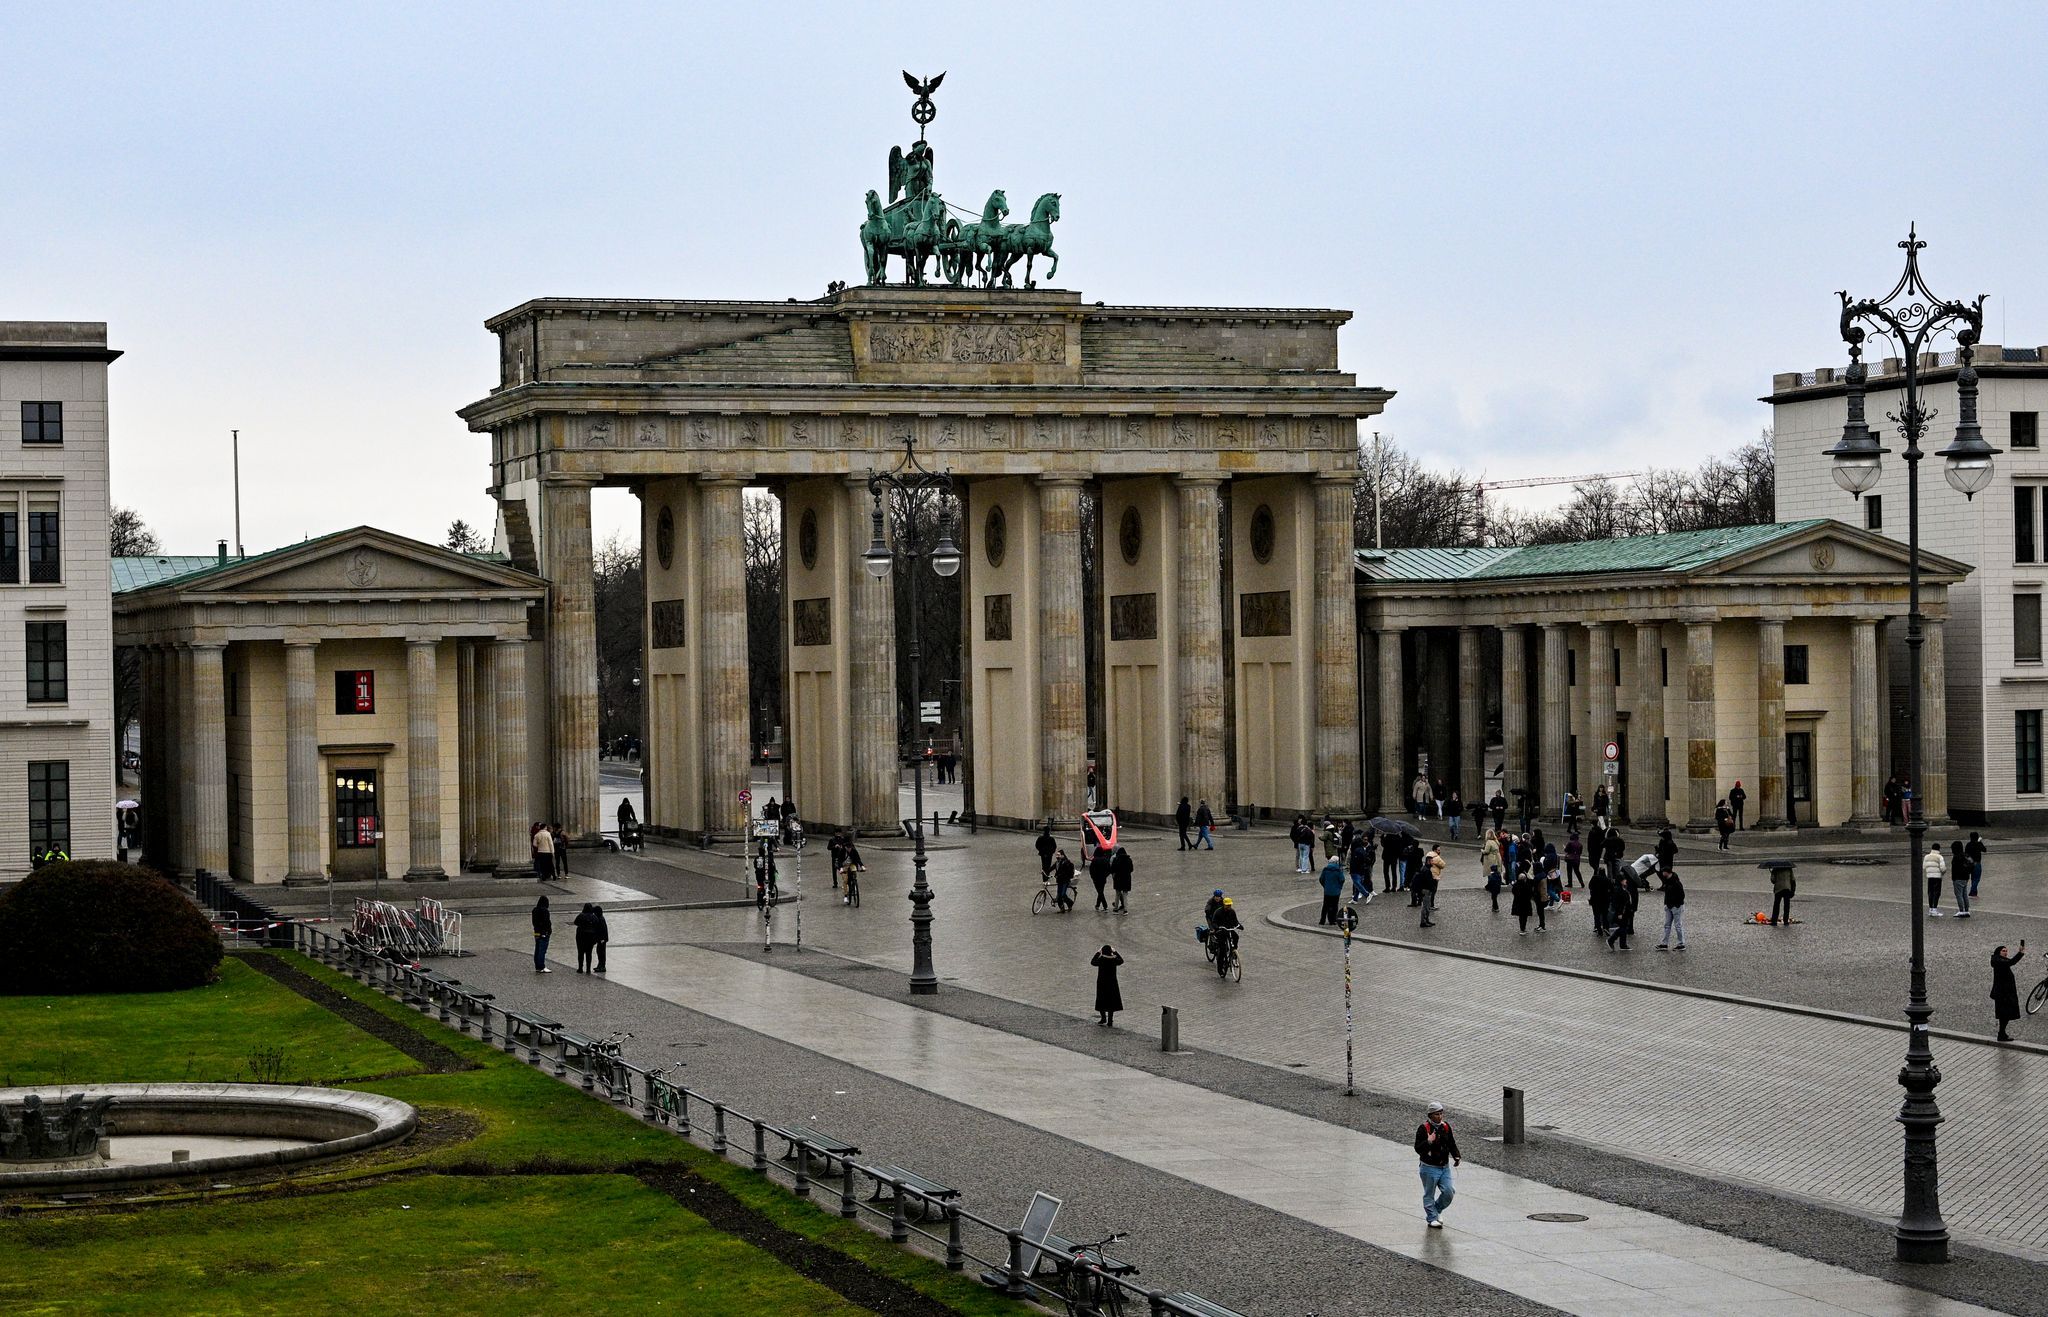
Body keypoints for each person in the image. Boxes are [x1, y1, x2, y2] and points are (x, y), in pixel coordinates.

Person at [1414, 1101, 1461, 1228]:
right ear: (1430, 1115)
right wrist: (1428, 1141)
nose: (1439, 1117)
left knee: (1449, 1191)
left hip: (1444, 1167)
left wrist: (1456, 1155)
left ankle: (1437, 1209)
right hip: (1429, 1167)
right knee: (1429, 1193)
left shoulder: (1445, 1127)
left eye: (1441, 1114)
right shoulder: (1424, 1128)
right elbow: (1418, 1148)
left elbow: (1451, 1143)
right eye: (1436, 1114)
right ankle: (1432, 1218)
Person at [1992, 941, 2027, 1042]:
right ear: (1998, 952)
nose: (2005, 952)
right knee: (2004, 1014)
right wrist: (2020, 953)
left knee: (2005, 1015)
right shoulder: (1998, 961)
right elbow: (2011, 962)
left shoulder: (1999, 960)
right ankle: (2001, 1034)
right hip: (2003, 993)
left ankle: (2002, 1033)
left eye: (2006, 951)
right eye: (2003, 951)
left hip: (2005, 993)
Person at [1092, 944, 1124, 1027]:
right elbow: (1121, 960)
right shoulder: (1114, 960)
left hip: (1102, 983)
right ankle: (1110, 1020)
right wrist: (1115, 952)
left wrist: (1098, 953)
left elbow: (1093, 962)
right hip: (1112, 983)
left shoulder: (1101, 960)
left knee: (1101, 1000)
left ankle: (1103, 1018)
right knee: (1111, 1002)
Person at [1208, 898, 1243, 974]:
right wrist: (1217, 927)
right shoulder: (1218, 912)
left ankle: (1233, 950)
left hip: (1229, 929)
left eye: (1230, 905)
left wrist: (1239, 925)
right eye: (1227, 905)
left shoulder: (1232, 912)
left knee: (1236, 936)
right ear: (1224, 905)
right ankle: (1220, 968)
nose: (1229, 906)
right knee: (1223, 949)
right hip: (1220, 931)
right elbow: (1214, 922)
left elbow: (1235, 921)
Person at [1606, 868, 1636, 951]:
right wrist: (1620, 913)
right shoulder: (1619, 891)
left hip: (1625, 912)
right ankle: (1612, 940)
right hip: (1622, 912)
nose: (1626, 881)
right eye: (1624, 879)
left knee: (1623, 927)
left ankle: (1622, 944)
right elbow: (1619, 903)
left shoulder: (1622, 889)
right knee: (1623, 928)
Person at [1656, 868, 1686, 950]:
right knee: (1668, 925)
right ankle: (1665, 943)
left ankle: (1681, 944)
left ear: (1666, 873)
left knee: (1677, 925)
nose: (1662, 873)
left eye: (1663, 872)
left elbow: (1682, 895)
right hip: (1670, 906)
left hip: (1675, 906)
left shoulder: (1675, 882)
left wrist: (1676, 905)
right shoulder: (1669, 881)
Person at [1511, 864, 1541, 935]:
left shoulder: (1516, 885)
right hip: (1525, 904)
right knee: (1524, 917)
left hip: (1518, 903)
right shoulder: (1527, 886)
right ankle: (1523, 929)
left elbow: (1513, 892)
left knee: (1521, 917)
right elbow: (1530, 893)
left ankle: (1522, 928)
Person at [1419, 845, 1444, 928]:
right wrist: (1434, 879)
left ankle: (1426, 920)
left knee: (1426, 905)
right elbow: (1428, 881)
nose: (1433, 862)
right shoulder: (1426, 870)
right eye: (1431, 861)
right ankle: (1424, 921)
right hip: (1426, 890)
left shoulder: (1426, 868)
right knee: (1426, 906)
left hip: (1426, 889)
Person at [1318, 853, 1346, 926]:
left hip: (1327, 891)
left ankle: (1322, 920)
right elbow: (1342, 879)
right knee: (1334, 906)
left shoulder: (1326, 869)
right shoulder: (1338, 870)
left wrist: (1325, 886)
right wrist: (1339, 887)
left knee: (1325, 906)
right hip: (1336, 892)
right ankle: (1332, 920)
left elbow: (1321, 879)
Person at [573, 902, 602, 973]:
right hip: (590, 938)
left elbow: (575, 922)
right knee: (589, 953)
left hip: (581, 937)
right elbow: (597, 925)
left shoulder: (581, 915)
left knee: (580, 953)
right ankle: (588, 969)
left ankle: (580, 968)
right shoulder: (594, 917)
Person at [1348, 833, 1375, 904]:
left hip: (1355, 869)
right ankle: (1355, 899)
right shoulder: (1361, 850)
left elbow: (1353, 861)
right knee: (1358, 884)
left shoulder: (1356, 850)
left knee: (1357, 883)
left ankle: (1367, 894)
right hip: (1361, 869)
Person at [1588, 862, 1612, 938]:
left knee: (1596, 915)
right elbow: (1612, 890)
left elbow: (1590, 886)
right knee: (1605, 915)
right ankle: (1606, 927)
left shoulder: (1594, 878)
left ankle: (1599, 929)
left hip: (1595, 900)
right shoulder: (1607, 880)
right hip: (1605, 900)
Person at [1921, 842, 1946, 917]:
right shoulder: (1939, 857)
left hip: (1930, 876)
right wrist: (1943, 873)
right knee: (1937, 892)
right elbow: (1943, 868)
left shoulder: (1926, 857)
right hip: (1937, 877)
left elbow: (1924, 867)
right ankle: (1935, 908)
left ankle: (1930, 909)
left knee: (1930, 892)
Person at [1109, 845, 1135, 913]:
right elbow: (1131, 869)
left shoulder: (1116, 859)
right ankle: (1125, 910)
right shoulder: (1129, 859)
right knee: (1125, 894)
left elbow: (1112, 869)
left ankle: (1115, 909)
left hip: (1118, 879)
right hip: (1127, 879)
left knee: (1117, 894)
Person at [531, 895, 553, 972]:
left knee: (537, 948)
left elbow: (534, 922)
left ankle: (537, 966)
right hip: (544, 933)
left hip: (536, 932)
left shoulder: (534, 910)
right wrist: (547, 931)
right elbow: (546, 922)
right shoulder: (545, 911)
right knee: (542, 950)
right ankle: (541, 966)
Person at [1951, 843, 1973, 918]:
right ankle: (1966, 910)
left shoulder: (1956, 857)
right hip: (1965, 877)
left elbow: (1954, 869)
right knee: (1964, 894)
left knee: (1959, 894)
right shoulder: (1965, 856)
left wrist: (1953, 878)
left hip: (1957, 878)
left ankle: (1961, 910)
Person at [1089, 844, 1112, 911]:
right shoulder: (1105, 860)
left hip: (1096, 879)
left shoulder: (1094, 860)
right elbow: (1109, 869)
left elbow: (1091, 870)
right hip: (1103, 878)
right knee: (1101, 891)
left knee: (1100, 892)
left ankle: (1105, 906)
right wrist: (1105, 875)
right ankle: (1097, 905)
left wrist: (1092, 877)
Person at [1966, 831, 1987, 898]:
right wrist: (1980, 842)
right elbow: (1984, 849)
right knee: (1976, 878)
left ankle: (1974, 893)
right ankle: (1972, 892)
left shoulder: (1968, 844)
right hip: (1977, 863)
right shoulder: (1978, 844)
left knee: (1973, 878)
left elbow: (1966, 854)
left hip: (1970, 863)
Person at [590, 904, 610, 973]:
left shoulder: (600, 919)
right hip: (600, 939)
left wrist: (602, 939)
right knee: (599, 952)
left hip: (602, 940)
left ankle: (602, 966)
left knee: (601, 953)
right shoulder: (600, 918)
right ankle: (600, 965)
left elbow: (602, 930)